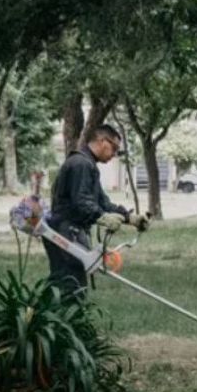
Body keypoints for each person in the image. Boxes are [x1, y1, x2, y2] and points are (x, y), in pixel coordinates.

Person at [44, 124, 149, 296]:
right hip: (65, 229)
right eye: (114, 148)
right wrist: (102, 218)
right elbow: (82, 202)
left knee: (70, 282)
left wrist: (131, 218)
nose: (114, 153)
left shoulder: (87, 164)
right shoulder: (81, 164)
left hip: (69, 229)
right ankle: (54, 320)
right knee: (70, 284)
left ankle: (53, 320)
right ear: (102, 141)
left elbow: (102, 203)